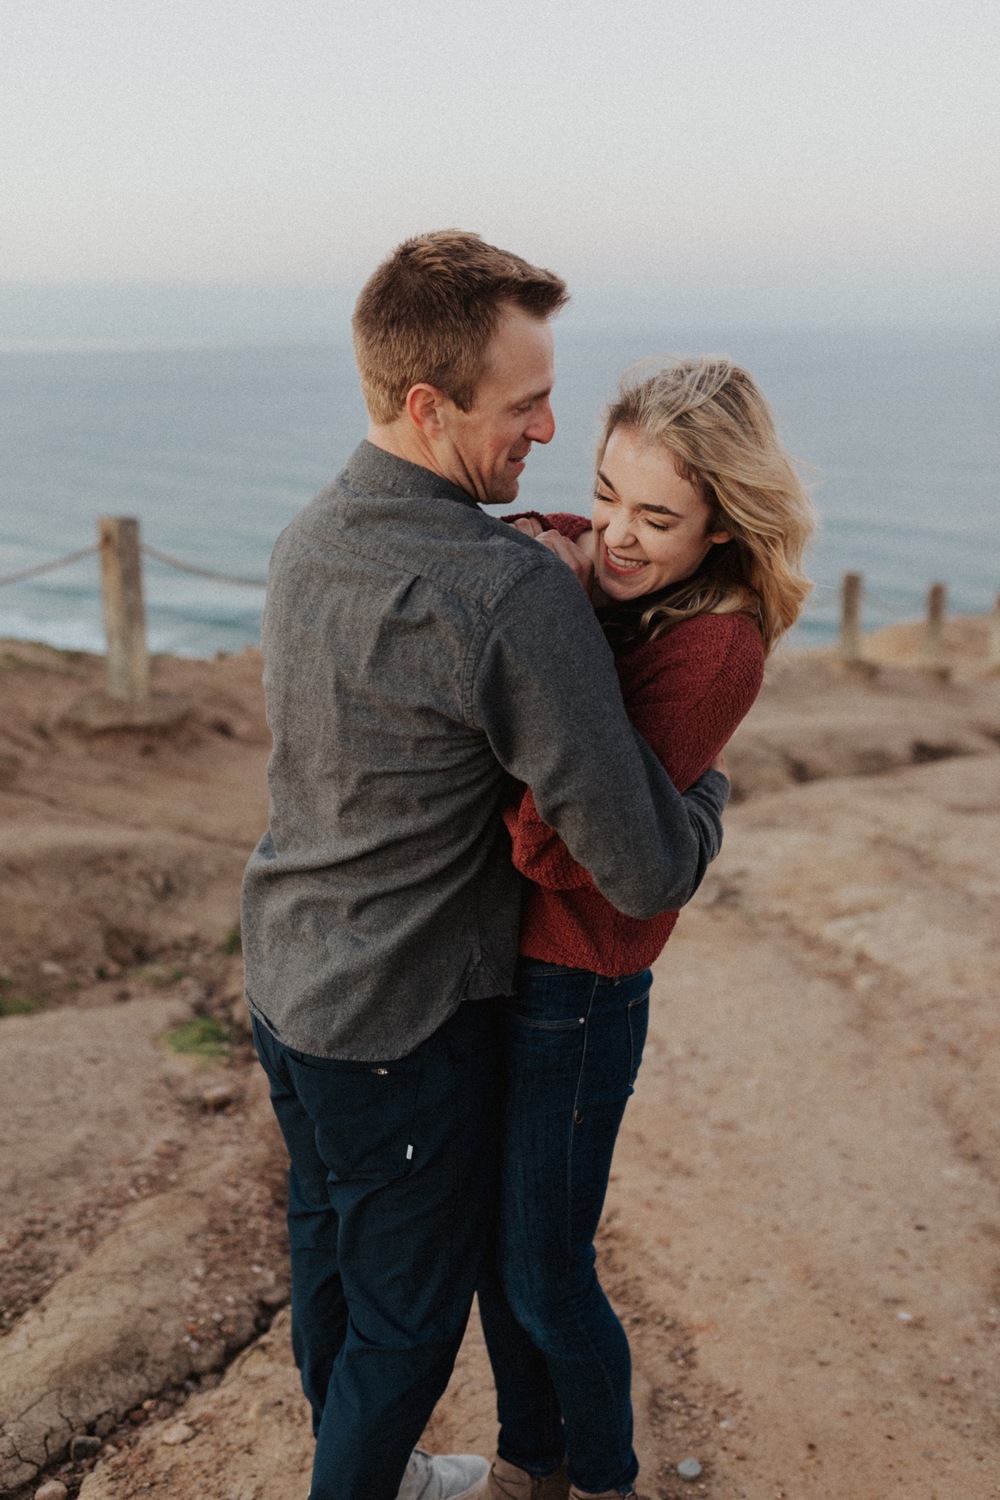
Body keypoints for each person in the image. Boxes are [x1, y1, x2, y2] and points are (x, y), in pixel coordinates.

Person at [240, 236, 733, 1500]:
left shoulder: (311, 534)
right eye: (524, 405)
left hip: (287, 985)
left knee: (331, 1266)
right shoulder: (508, 591)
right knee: (406, 1329)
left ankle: (377, 1471)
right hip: (401, 1016)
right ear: (428, 403)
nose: (549, 427)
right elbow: (636, 867)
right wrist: (710, 792)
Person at [475, 357, 815, 1500]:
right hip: (500, 967)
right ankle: (533, 1463)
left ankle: (608, 1480)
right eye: (607, 492)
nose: (614, 532)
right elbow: (537, 534)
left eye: (656, 516)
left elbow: (564, 853)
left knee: (546, 1271)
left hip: (578, 987)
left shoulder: (713, 646)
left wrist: (553, 624)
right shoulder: (611, 562)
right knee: (492, 1257)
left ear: (723, 523)